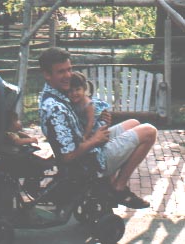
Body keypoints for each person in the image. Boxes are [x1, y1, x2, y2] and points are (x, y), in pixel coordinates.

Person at [38, 47, 157, 209]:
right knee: (149, 131)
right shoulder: (55, 108)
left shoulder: (57, 93)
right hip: (89, 161)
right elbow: (67, 156)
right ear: (47, 74)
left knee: (134, 123)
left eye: (69, 69)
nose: (68, 76)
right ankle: (118, 187)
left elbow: (82, 113)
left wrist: (99, 119)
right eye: (61, 72)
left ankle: (109, 183)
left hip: (90, 146)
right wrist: (95, 140)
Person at [68, 71, 110, 139]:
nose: (74, 93)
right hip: (84, 126)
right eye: (70, 90)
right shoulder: (71, 102)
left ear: (84, 89)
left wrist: (84, 138)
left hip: (94, 128)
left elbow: (90, 123)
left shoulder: (88, 104)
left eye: (77, 89)